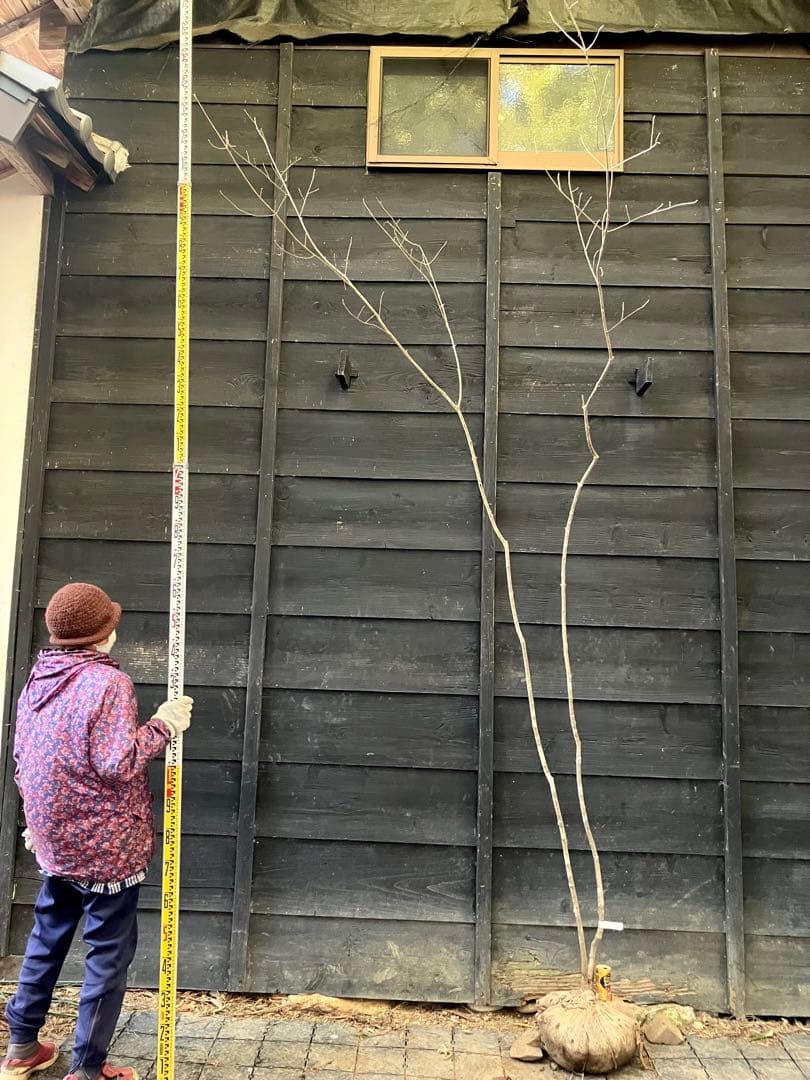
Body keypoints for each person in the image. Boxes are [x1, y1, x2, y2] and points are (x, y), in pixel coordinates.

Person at [0, 583, 193, 1080]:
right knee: (107, 955)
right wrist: (164, 724)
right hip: (108, 849)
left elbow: (25, 757)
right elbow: (117, 763)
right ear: (103, 633)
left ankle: (21, 1049)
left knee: (46, 938)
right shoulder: (108, 683)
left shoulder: (39, 677)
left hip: (55, 842)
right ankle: (87, 1070)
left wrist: (38, 823)